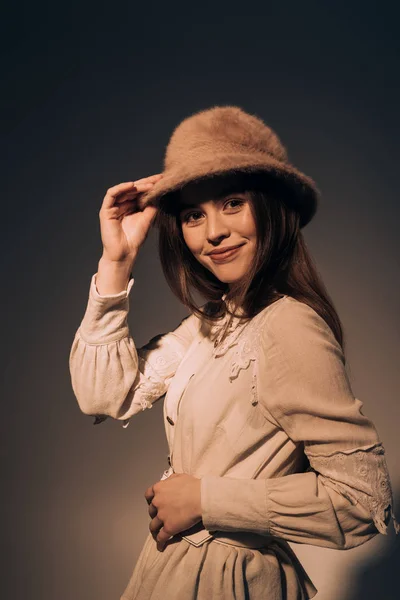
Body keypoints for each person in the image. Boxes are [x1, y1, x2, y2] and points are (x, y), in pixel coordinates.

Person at [69, 105, 399, 600]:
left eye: (232, 203)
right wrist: (116, 262)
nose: (213, 233)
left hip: (233, 583)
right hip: (172, 571)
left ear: (270, 207)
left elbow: (363, 500)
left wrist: (207, 499)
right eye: (193, 215)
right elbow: (103, 396)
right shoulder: (210, 325)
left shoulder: (289, 324)